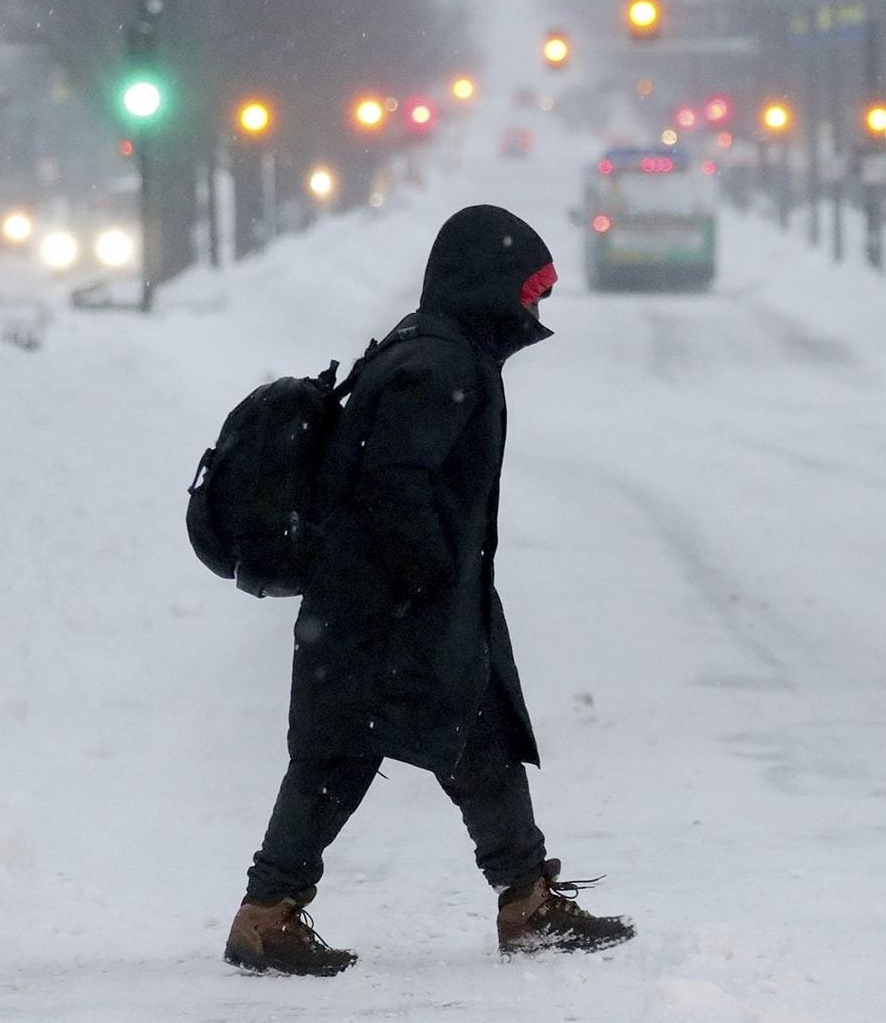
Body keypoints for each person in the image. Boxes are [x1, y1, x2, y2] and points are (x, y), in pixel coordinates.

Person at [224, 205, 635, 976]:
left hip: (390, 606)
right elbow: (391, 482)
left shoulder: (439, 351)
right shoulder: (440, 367)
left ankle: (524, 899)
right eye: (529, 289)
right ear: (487, 286)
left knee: (468, 737)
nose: (534, 307)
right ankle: (268, 912)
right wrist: (430, 574)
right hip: (389, 610)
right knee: (342, 758)